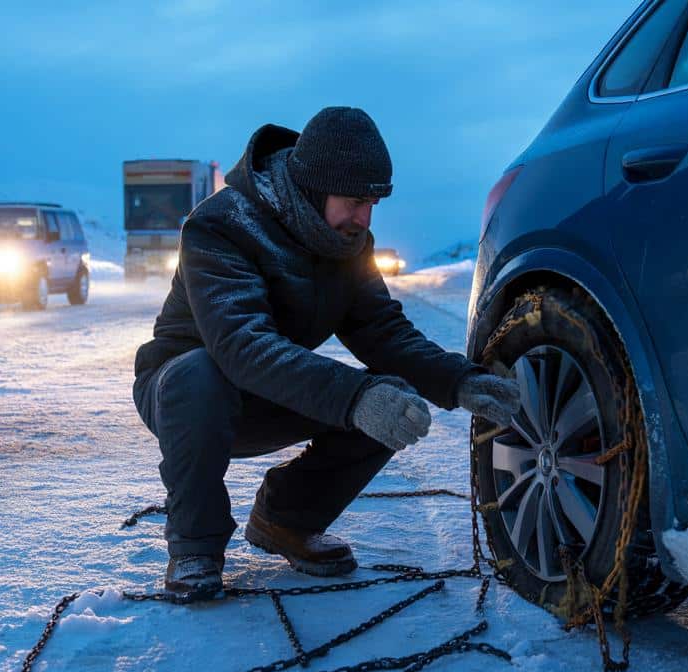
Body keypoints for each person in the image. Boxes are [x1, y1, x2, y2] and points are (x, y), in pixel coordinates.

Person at [133, 107, 520, 600]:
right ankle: (194, 546)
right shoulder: (220, 226)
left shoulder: (348, 242)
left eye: (373, 203)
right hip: (185, 393)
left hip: (269, 387)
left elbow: (384, 333)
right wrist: (354, 395)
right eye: (355, 201)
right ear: (314, 187)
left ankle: (286, 519)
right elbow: (241, 345)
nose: (364, 218)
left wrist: (459, 379)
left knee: (392, 400)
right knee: (200, 373)